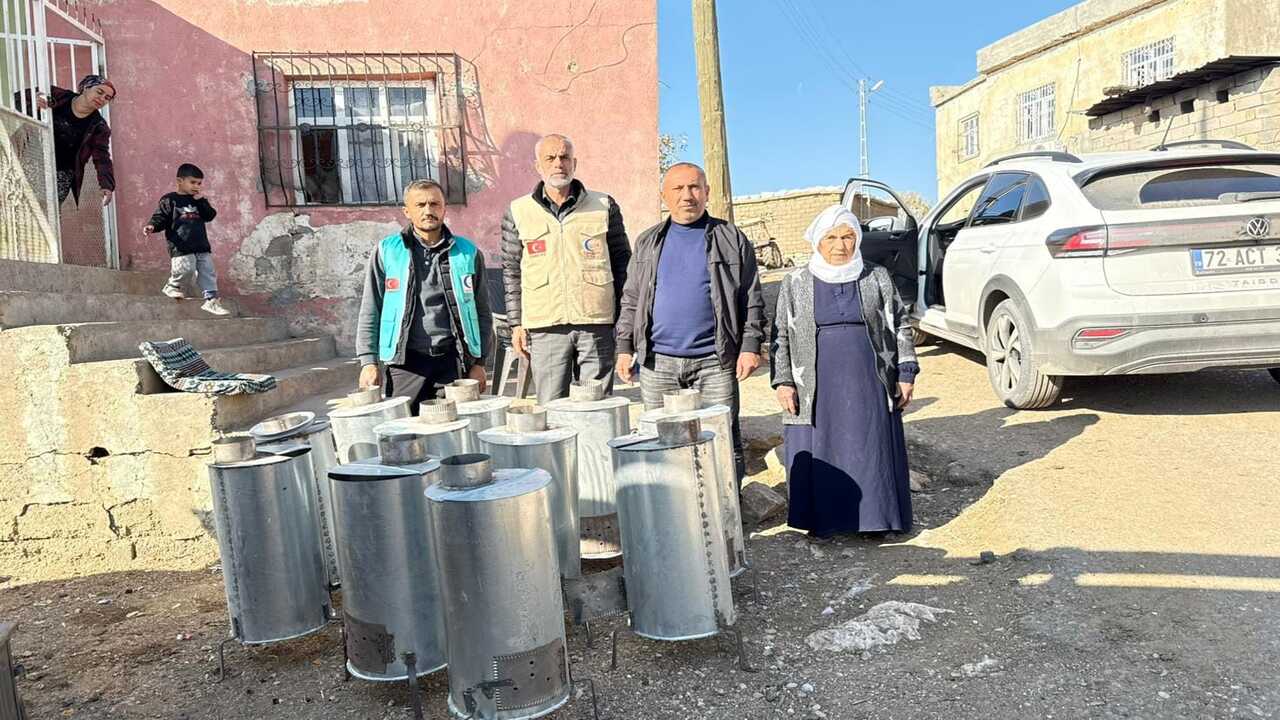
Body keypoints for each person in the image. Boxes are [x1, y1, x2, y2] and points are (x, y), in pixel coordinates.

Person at [770, 205, 919, 537]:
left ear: (858, 239)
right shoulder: (796, 281)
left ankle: (874, 520)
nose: (840, 245)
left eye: (848, 236)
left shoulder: (876, 277)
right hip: (815, 382)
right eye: (831, 237)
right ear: (817, 241)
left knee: (869, 445)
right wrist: (783, 381)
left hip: (869, 378)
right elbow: (780, 333)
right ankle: (823, 521)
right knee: (822, 445)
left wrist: (906, 372)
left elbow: (901, 326)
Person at [615, 162, 766, 482]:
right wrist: (625, 346)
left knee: (721, 440)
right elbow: (631, 298)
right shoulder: (648, 242)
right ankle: (673, 513)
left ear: (707, 192)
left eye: (695, 187)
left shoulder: (731, 238)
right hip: (658, 363)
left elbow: (752, 297)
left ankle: (728, 516)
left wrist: (750, 346)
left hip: (715, 361)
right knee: (661, 441)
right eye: (678, 189)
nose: (688, 195)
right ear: (664, 196)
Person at [501, 134, 631, 404]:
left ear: (575, 163)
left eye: (564, 157)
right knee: (551, 404)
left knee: (596, 404)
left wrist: (625, 319)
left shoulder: (603, 205)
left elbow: (622, 264)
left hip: (595, 322)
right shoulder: (518, 210)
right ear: (538, 165)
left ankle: (593, 448)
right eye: (550, 158)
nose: (558, 163)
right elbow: (512, 270)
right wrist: (516, 323)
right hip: (545, 325)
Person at [356, 179, 493, 413]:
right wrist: (369, 361)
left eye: (434, 204)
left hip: (453, 361)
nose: (428, 211)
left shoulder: (467, 253)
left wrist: (479, 363)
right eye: (420, 205)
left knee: (455, 434)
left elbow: (481, 312)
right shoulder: (387, 252)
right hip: (406, 364)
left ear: (444, 208)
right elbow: (372, 308)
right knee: (407, 435)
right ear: (407, 211)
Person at [142, 164, 228, 315]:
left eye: (199, 183)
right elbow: (160, 217)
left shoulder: (198, 201)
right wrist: (152, 226)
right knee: (186, 269)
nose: (196, 186)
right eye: (193, 182)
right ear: (180, 181)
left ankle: (211, 300)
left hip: (201, 244)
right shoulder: (170, 200)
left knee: (208, 271)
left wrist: (201, 201)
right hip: (181, 245)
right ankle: (172, 286)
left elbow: (210, 216)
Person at [27, 74, 117, 208]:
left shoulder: (99, 126)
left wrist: (107, 185)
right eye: (99, 92)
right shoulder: (57, 95)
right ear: (86, 87)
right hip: (32, 159)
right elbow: (18, 99)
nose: (102, 98)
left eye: (107, 98)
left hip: (61, 174)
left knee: (47, 214)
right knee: (17, 204)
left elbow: (102, 157)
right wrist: (34, 101)